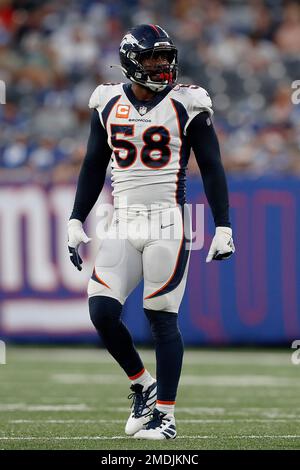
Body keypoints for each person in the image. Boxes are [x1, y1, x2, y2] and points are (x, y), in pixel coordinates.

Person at [67, 24, 235, 440]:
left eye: (165, 57)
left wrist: (223, 225)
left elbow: (212, 167)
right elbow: (92, 165)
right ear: (130, 61)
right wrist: (75, 218)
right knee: (102, 311)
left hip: (168, 223)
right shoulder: (106, 101)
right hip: (121, 221)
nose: (162, 65)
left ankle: (167, 416)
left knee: (160, 318)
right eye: (151, 58)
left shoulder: (187, 103)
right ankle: (143, 384)